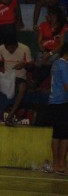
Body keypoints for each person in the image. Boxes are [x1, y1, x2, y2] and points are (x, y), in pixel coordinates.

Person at [0, 33, 33, 126]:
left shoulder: (25, 49)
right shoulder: (1, 48)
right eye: (7, 47)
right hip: (5, 77)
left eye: (11, 48)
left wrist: (24, 65)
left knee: (22, 87)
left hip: (19, 78)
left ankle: (10, 116)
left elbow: (31, 67)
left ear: (16, 45)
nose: (9, 50)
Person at [46, 44, 68, 175]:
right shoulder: (64, 65)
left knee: (58, 134)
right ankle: (60, 164)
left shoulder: (56, 63)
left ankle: (57, 163)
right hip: (62, 102)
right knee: (63, 135)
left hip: (55, 101)